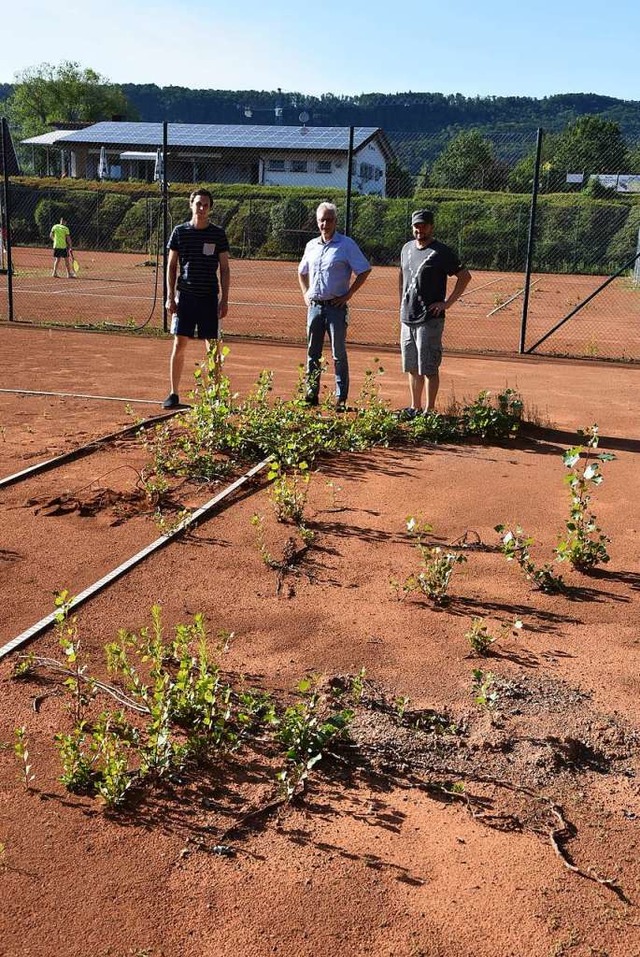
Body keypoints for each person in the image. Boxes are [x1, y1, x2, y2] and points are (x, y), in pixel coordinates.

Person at [298, 202, 371, 409]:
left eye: (329, 220)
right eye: (322, 219)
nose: (325, 224)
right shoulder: (311, 245)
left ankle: (340, 398)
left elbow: (364, 270)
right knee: (313, 353)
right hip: (315, 307)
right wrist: (306, 294)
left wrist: (348, 294)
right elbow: (301, 271)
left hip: (336, 308)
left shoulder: (346, 245)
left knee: (338, 353)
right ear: (317, 221)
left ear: (335, 222)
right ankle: (311, 394)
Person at [398, 209, 471, 415]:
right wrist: (401, 304)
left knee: (428, 366)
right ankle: (415, 407)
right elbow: (401, 276)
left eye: (423, 225)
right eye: (416, 225)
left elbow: (464, 276)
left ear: (431, 226)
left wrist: (446, 303)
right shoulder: (406, 249)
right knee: (412, 366)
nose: (419, 229)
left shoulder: (441, 252)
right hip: (408, 317)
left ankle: (429, 411)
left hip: (429, 319)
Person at [163, 188, 230, 409]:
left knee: (213, 347)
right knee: (179, 343)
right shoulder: (179, 232)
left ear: (210, 208)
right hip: (186, 298)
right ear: (191, 205)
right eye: (198, 204)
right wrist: (170, 297)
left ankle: (215, 395)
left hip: (210, 297)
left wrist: (224, 299)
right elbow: (172, 266)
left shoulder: (218, 234)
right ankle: (173, 394)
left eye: (206, 205)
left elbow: (225, 268)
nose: (201, 208)